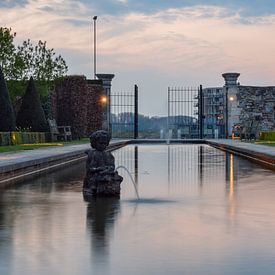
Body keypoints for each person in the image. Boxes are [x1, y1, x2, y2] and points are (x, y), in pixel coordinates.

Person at [83, 130, 123, 197]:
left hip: (105, 173)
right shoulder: (93, 154)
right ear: (95, 143)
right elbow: (90, 168)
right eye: (100, 143)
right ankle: (93, 189)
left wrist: (109, 168)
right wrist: (99, 169)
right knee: (96, 178)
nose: (103, 145)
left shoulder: (108, 155)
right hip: (95, 175)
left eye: (105, 143)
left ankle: (111, 189)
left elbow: (112, 166)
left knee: (115, 177)